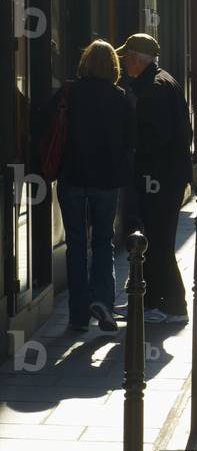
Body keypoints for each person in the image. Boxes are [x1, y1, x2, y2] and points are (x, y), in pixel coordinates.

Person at [51, 40, 134, 333]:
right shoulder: (121, 97)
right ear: (113, 66)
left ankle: (77, 316)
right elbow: (129, 141)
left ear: (85, 63)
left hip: (72, 177)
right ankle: (103, 302)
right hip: (106, 180)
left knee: (75, 245)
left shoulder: (69, 93)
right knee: (102, 242)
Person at [116, 33, 193, 325]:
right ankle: (148, 301)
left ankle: (173, 305)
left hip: (159, 178)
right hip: (164, 177)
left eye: (127, 57)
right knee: (152, 241)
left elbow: (155, 140)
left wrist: (145, 171)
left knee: (158, 243)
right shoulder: (160, 81)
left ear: (137, 58)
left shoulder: (156, 88)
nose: (124, 63)